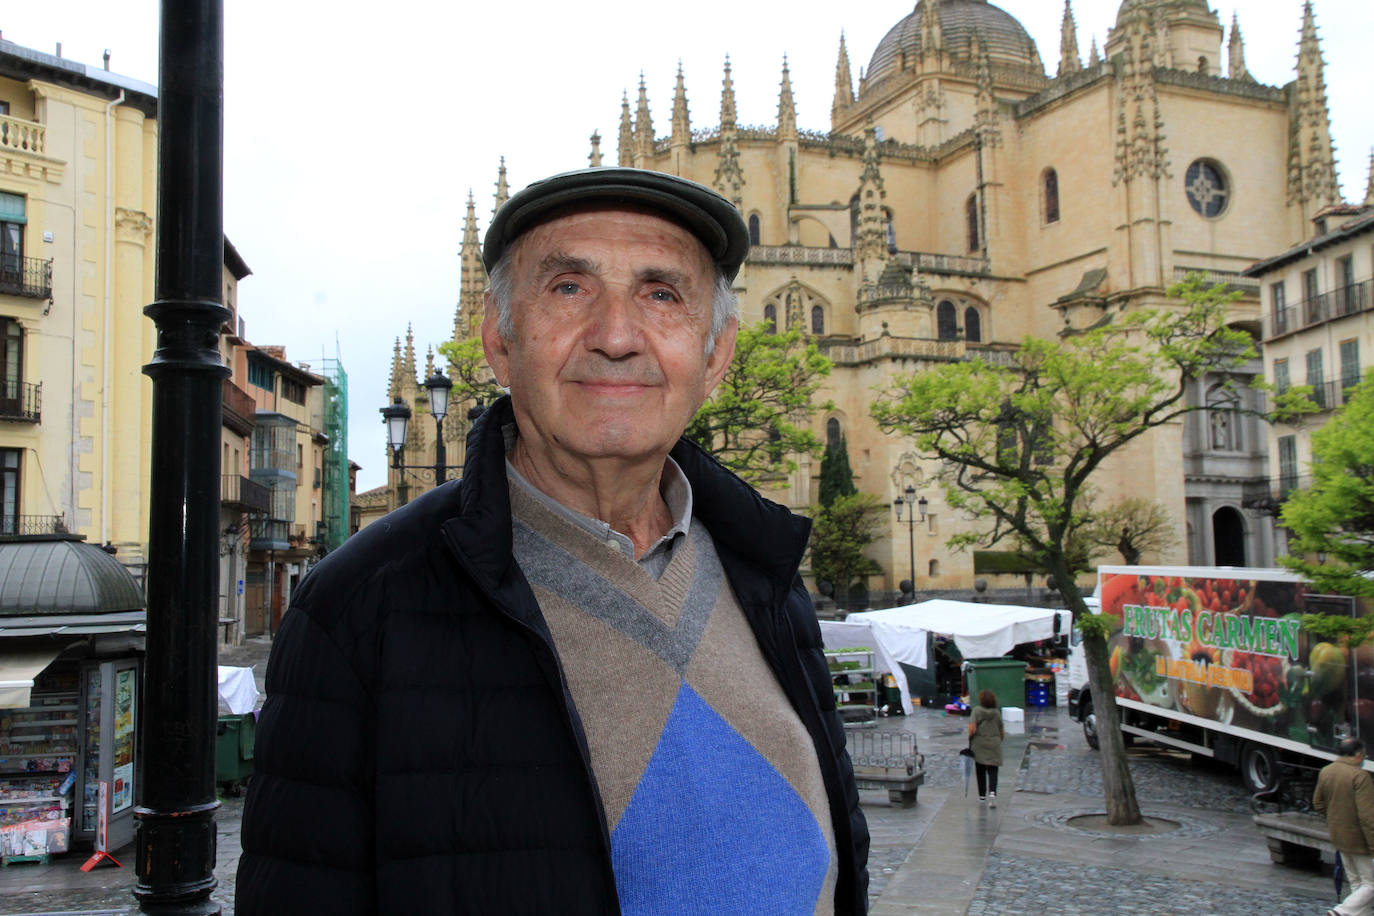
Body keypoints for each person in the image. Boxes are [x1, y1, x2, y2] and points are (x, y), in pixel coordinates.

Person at [235, 167, 870, 914]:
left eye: (662, 294)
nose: (616, 337)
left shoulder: (766, 576)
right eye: (569, 287)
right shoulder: (356, 609)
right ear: (500, 342)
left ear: (716, 356)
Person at [1314, 737, 1374, 916]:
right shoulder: (1360, 776)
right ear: (1358, 755)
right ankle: (1341, 911)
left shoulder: (1326, 771)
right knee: (1371, 884)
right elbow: (1367, 815)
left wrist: (1335, 818)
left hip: (1338, 835)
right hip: (1359, 838)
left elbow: (1318, 803)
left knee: (1356, 882)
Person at [969, 689, 1004, 806]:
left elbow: (972, 728)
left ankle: (982, 795)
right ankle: (992, 792)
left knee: (980, 769)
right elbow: (1001, 730)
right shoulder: (996, 712)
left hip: (979, 743)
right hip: (994, 742)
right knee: (993, 769)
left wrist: (970, 737)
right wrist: (999, 740)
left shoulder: (976, 711)